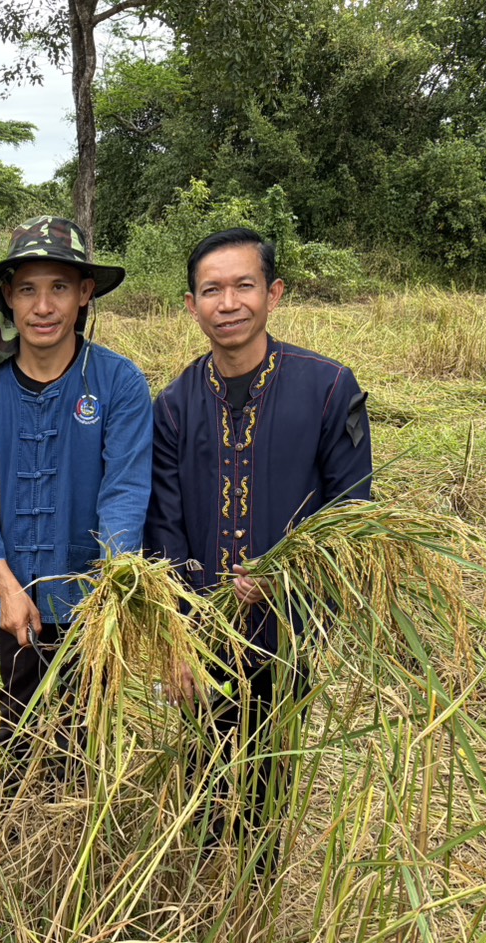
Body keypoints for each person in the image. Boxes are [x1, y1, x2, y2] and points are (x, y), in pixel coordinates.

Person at [145, 227, 372, 846]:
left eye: (244, 286)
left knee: (270, 782)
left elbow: (352, 514)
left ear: (273, 294)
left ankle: (259, 884)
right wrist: (178, 634)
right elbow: (163, 527)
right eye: (211, 290)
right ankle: (205, 879)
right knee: (203, 777)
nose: (229, 303)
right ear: (191, 305)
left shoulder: (328, 389)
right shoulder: (173, 406)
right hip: (202, 630)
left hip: (288, 629)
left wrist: (287, 578)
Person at [0, 216, 154, 787]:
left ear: (85, 293)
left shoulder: (118, 383)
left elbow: (124, 489)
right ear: (8, 298)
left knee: (85, 736)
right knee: (20, 730)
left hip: (91, 597)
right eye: (28, 290)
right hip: (14, 595)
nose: (43, 306)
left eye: (59, 287)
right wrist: (6, 589)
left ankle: (81, 834)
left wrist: (112, 586)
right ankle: (17, 836)